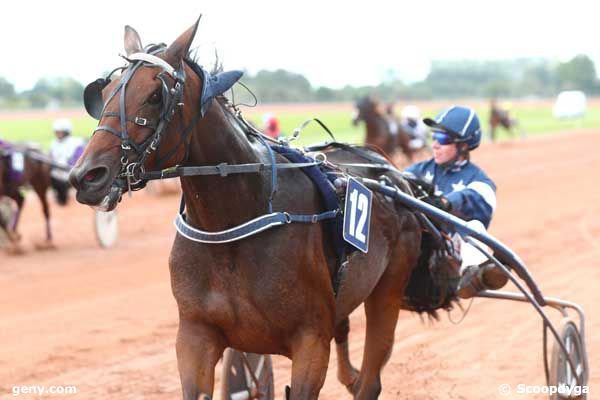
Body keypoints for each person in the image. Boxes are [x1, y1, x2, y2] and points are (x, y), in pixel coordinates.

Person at [405, 105, 507, 299]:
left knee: (475, 225)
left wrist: (446, 202)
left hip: (450, 256)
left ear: (464, 145)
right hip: (416, 247)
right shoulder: (418, 169)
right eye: (433, 136)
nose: (435, 144)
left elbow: (480, 200)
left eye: (443, 139)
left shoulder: (479, 180)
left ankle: (473, 276)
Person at [48, 118, 85, 205]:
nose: (57, 134)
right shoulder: (54, 143)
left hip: (71, 173)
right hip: (56, 173)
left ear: (66, 132)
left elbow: (79, 158)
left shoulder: (76, 142)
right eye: (56, 132)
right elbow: (50, 157)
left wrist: (69, 165)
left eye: (59, 132)